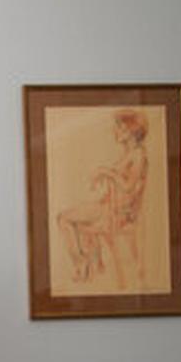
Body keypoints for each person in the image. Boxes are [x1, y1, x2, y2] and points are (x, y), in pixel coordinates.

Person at [56, 108, 150, 288]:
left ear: (131, 132)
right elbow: (121, 185)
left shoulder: (138, 155)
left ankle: (82, 263)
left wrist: (105, 172)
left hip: (116, 214)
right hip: (108, 207)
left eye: (120, 128)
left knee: (64, 219)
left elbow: (129, 187)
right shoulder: (131, 153)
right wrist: (105, 177)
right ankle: (91, 262)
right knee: (74, 224)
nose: (115, 131)